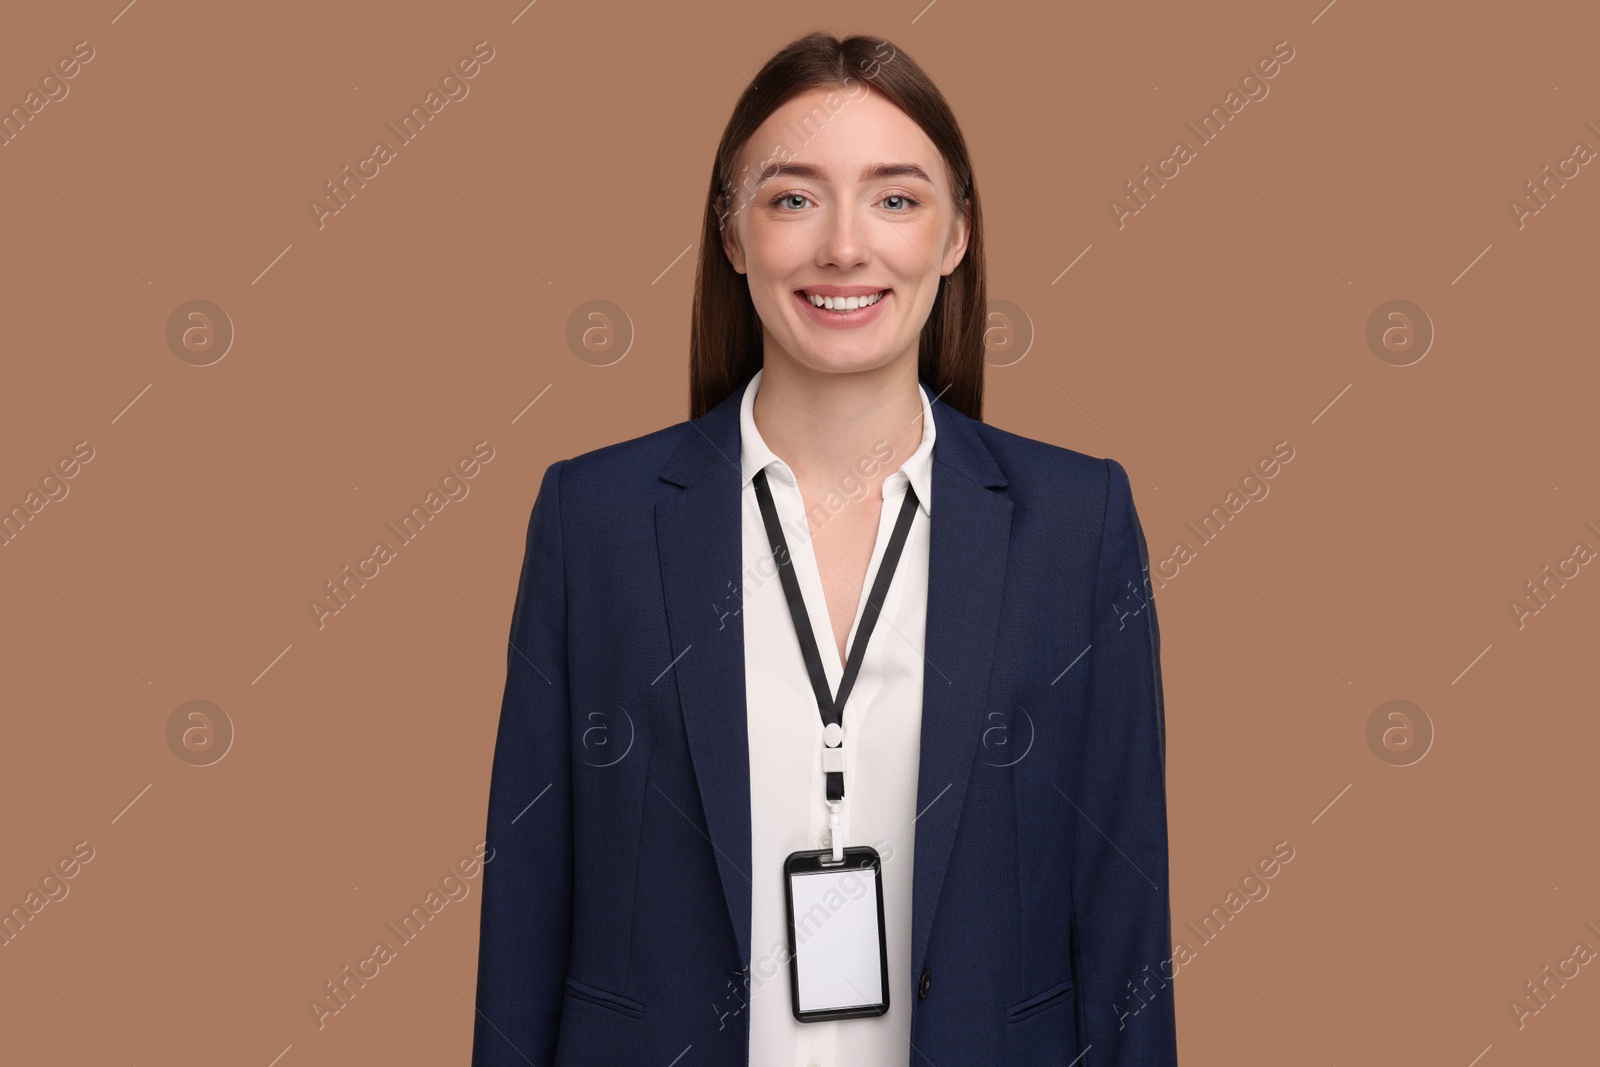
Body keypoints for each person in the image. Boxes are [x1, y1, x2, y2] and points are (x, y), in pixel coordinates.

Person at [471, 31, 1177, 1067]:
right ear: (731, 233)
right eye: (793, 197)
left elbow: (1125, 934)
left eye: (895, 198)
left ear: (956, 236)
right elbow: (525, 912)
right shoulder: (595, 517)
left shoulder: (1078, 522)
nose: (844, 246)